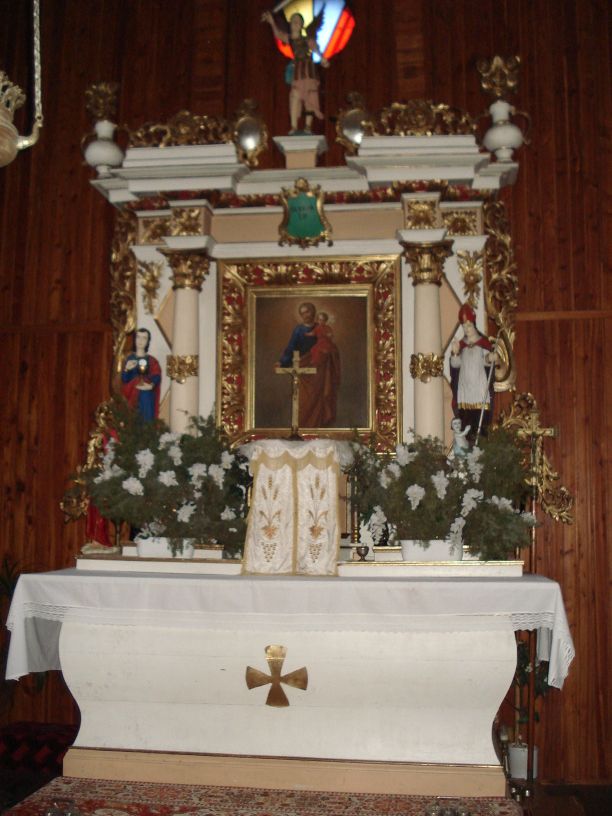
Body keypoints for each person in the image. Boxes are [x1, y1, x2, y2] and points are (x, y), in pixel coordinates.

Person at [261, 9, 328, 135]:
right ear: (290, 24)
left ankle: (308, 126)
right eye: (293, 21)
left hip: (308, 71)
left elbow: (315, 48)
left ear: (301, 25)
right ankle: (294, 126)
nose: (295, 23)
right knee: (295, 95)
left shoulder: (307, 39)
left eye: (298, 21)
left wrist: (322, 58)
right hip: (298, 71)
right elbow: (278, 34)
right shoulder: (289, 39)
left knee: (310, 97)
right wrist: (272, 22)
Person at [278, 302, 340, 427]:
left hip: (319, 369)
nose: (305, 315)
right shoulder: (299, 330)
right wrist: (283, 362)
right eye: (302, 313)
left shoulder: (321, 327)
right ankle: (301, 429)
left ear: (313, 312)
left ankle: (318, 428)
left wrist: (328, 352)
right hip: (302, 367)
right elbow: (291, 347)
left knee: (319, 398)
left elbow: (329, 343)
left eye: (307, 312)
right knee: (304, 401)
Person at [449, 304, 497, 440]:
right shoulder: (461, 344)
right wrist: (455, 353)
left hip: (479, 389)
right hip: (465, 390)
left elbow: (486, 361)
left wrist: (490, 358)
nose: (467, 329)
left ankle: (481, 444)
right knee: (466, 423)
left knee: (481, 423)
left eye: (469, 326)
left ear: (474, 324)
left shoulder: (483, 343)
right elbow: (455, 365)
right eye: (464, 327)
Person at [121, 327, 161, 421]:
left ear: (148, 341)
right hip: (131, 393)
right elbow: (125, 379)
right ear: (134, 339)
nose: (140, 340)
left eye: (144, 338)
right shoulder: (129, 358)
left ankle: (147, 426)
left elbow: (156, 376)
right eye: (138, 337)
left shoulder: (152, 360)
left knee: (145, 396)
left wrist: (151, 385)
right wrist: (127, 369)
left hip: (146, 395)